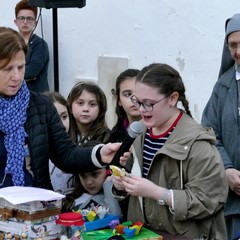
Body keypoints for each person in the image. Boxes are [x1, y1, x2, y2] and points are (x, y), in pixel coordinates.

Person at [0, 27, 129, 190]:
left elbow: (66, 155)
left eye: (21, 67)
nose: (17, 77)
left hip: (36, 208)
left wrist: (99, 154)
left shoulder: (41, 106)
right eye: (7, 69)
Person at [112, 63, 228, 239]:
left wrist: (157, 193)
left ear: (173, 98)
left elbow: (208, 202)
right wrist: (121, 185)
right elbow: (134, 190)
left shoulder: (198, 143)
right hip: (141, 233)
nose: (141, 110)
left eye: (148, 103)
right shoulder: (138, 132)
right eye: (137, 101)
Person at [201, 13, 240, 240]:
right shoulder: (223, 86)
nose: (237, 52)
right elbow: (209, 132)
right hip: (234, 196)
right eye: (232, 45)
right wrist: (227, 170)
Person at [62, 141, 122, 219]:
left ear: (109, 170)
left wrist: (108, 184)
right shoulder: (70, 200)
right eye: (83, 176)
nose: (89, 182)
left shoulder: (117, 196)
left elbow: (114, 219)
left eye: (95, 174)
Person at [14, 0, 49, 92]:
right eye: (21, 18)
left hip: (36, 98)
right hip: (14, 97)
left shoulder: (40, 45)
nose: (25, 22)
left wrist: (8, 72)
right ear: (16, 21)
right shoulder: (10, 44)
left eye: (29, 19)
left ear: (35, 23)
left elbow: (31, 72)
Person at [44, 91, 73, 194]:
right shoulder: (30, 153)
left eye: (64, 117)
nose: (61, 124)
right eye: (54, 119)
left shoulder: (75, 149)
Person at [67, 81, 110, 145]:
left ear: (100, 110)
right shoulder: (64, 135)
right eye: (80, 103)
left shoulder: (108, 137)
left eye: (92, 104)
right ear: (70, 107)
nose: (86, 109)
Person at [109, 68, 141, 143]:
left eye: (139, 92)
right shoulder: (113, 136)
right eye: (127, 94)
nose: (134, 99)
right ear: (119, 100)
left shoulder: (158, 131)